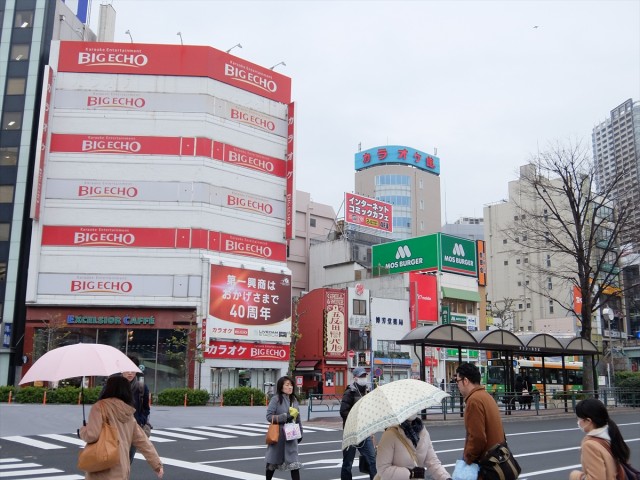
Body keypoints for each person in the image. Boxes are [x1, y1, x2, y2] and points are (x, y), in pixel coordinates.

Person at [79, 375, 163, 479]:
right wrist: (157, 464)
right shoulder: (128, 412)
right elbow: (143, 441)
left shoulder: (99, 407)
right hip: (121, 468)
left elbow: (91, 435)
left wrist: (82, 431)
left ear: (108, 388)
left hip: (101, 467)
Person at [100, 354, 151, 463]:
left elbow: (146, 409)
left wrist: (140, 422)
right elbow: (100, 404)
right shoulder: (112, 385)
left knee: (127, 462)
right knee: (112, 462)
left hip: (133, 431)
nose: (130, 373)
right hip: (113, 430)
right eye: (127, 369)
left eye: (133, 370)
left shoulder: (141, 387)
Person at [376, 410, 452, 480]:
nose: (412, 411)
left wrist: (445, 477)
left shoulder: (423, 432)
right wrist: (411, 473)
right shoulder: (389, 435)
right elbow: (383, 469)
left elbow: (432, 462)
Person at [455, 362, 506, 467]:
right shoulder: (486, 396)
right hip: (497, 460)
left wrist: (468, 459)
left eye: (458, 381)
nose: (457, 385)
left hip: (486, 465)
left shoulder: (474, 400)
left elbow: (477, 438)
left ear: (465, 381)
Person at [569, 398, 631, 480]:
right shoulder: (610, 434)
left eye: (579, 419)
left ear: (588, 421)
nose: (578, 422)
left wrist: (575, 476)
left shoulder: (590, 445)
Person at [340, 367, 377, 480]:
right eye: (361, 376)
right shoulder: (350, 392)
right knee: (348, 463)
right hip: (351, 432)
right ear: (355, 378)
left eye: (364, 376)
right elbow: (343, 411)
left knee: (372, 460)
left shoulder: (367, 391)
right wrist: (356, 417)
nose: (363, 378)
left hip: (364, 431)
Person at [265, 376, 303, 480]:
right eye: (287, 385)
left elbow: (298, 418)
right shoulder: (276, 399)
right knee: (272, 462)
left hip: (291, 435)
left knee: (294, 463)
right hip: (278, 435)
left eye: (291, 385)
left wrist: (300, 433)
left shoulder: (294, 400)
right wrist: (284, 417)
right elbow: (269, 416)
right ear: (281, 387)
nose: (290, 387)